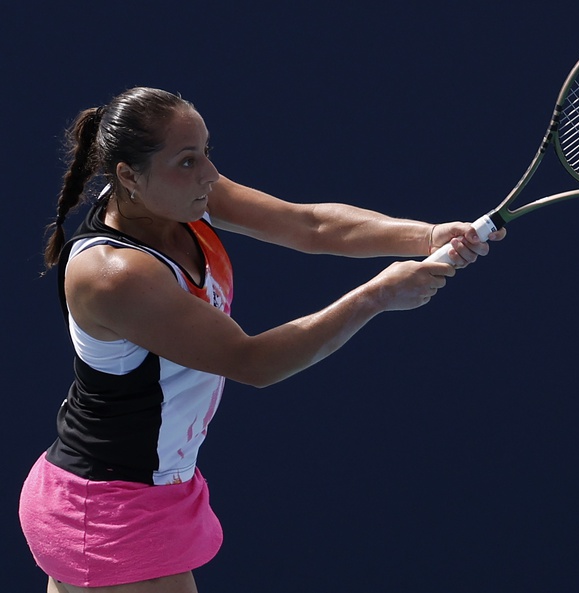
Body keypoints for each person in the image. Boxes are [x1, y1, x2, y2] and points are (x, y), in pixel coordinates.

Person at [19, 86, 505, 593]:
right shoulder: (114, 273)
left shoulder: (180, 196)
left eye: (207, 152)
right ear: (127, 176)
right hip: (109, 507)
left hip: (130, 488)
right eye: (187, 161)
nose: (209, 173)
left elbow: (309, 225)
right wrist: (375, 296)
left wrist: (425, 236)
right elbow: (252, 362)